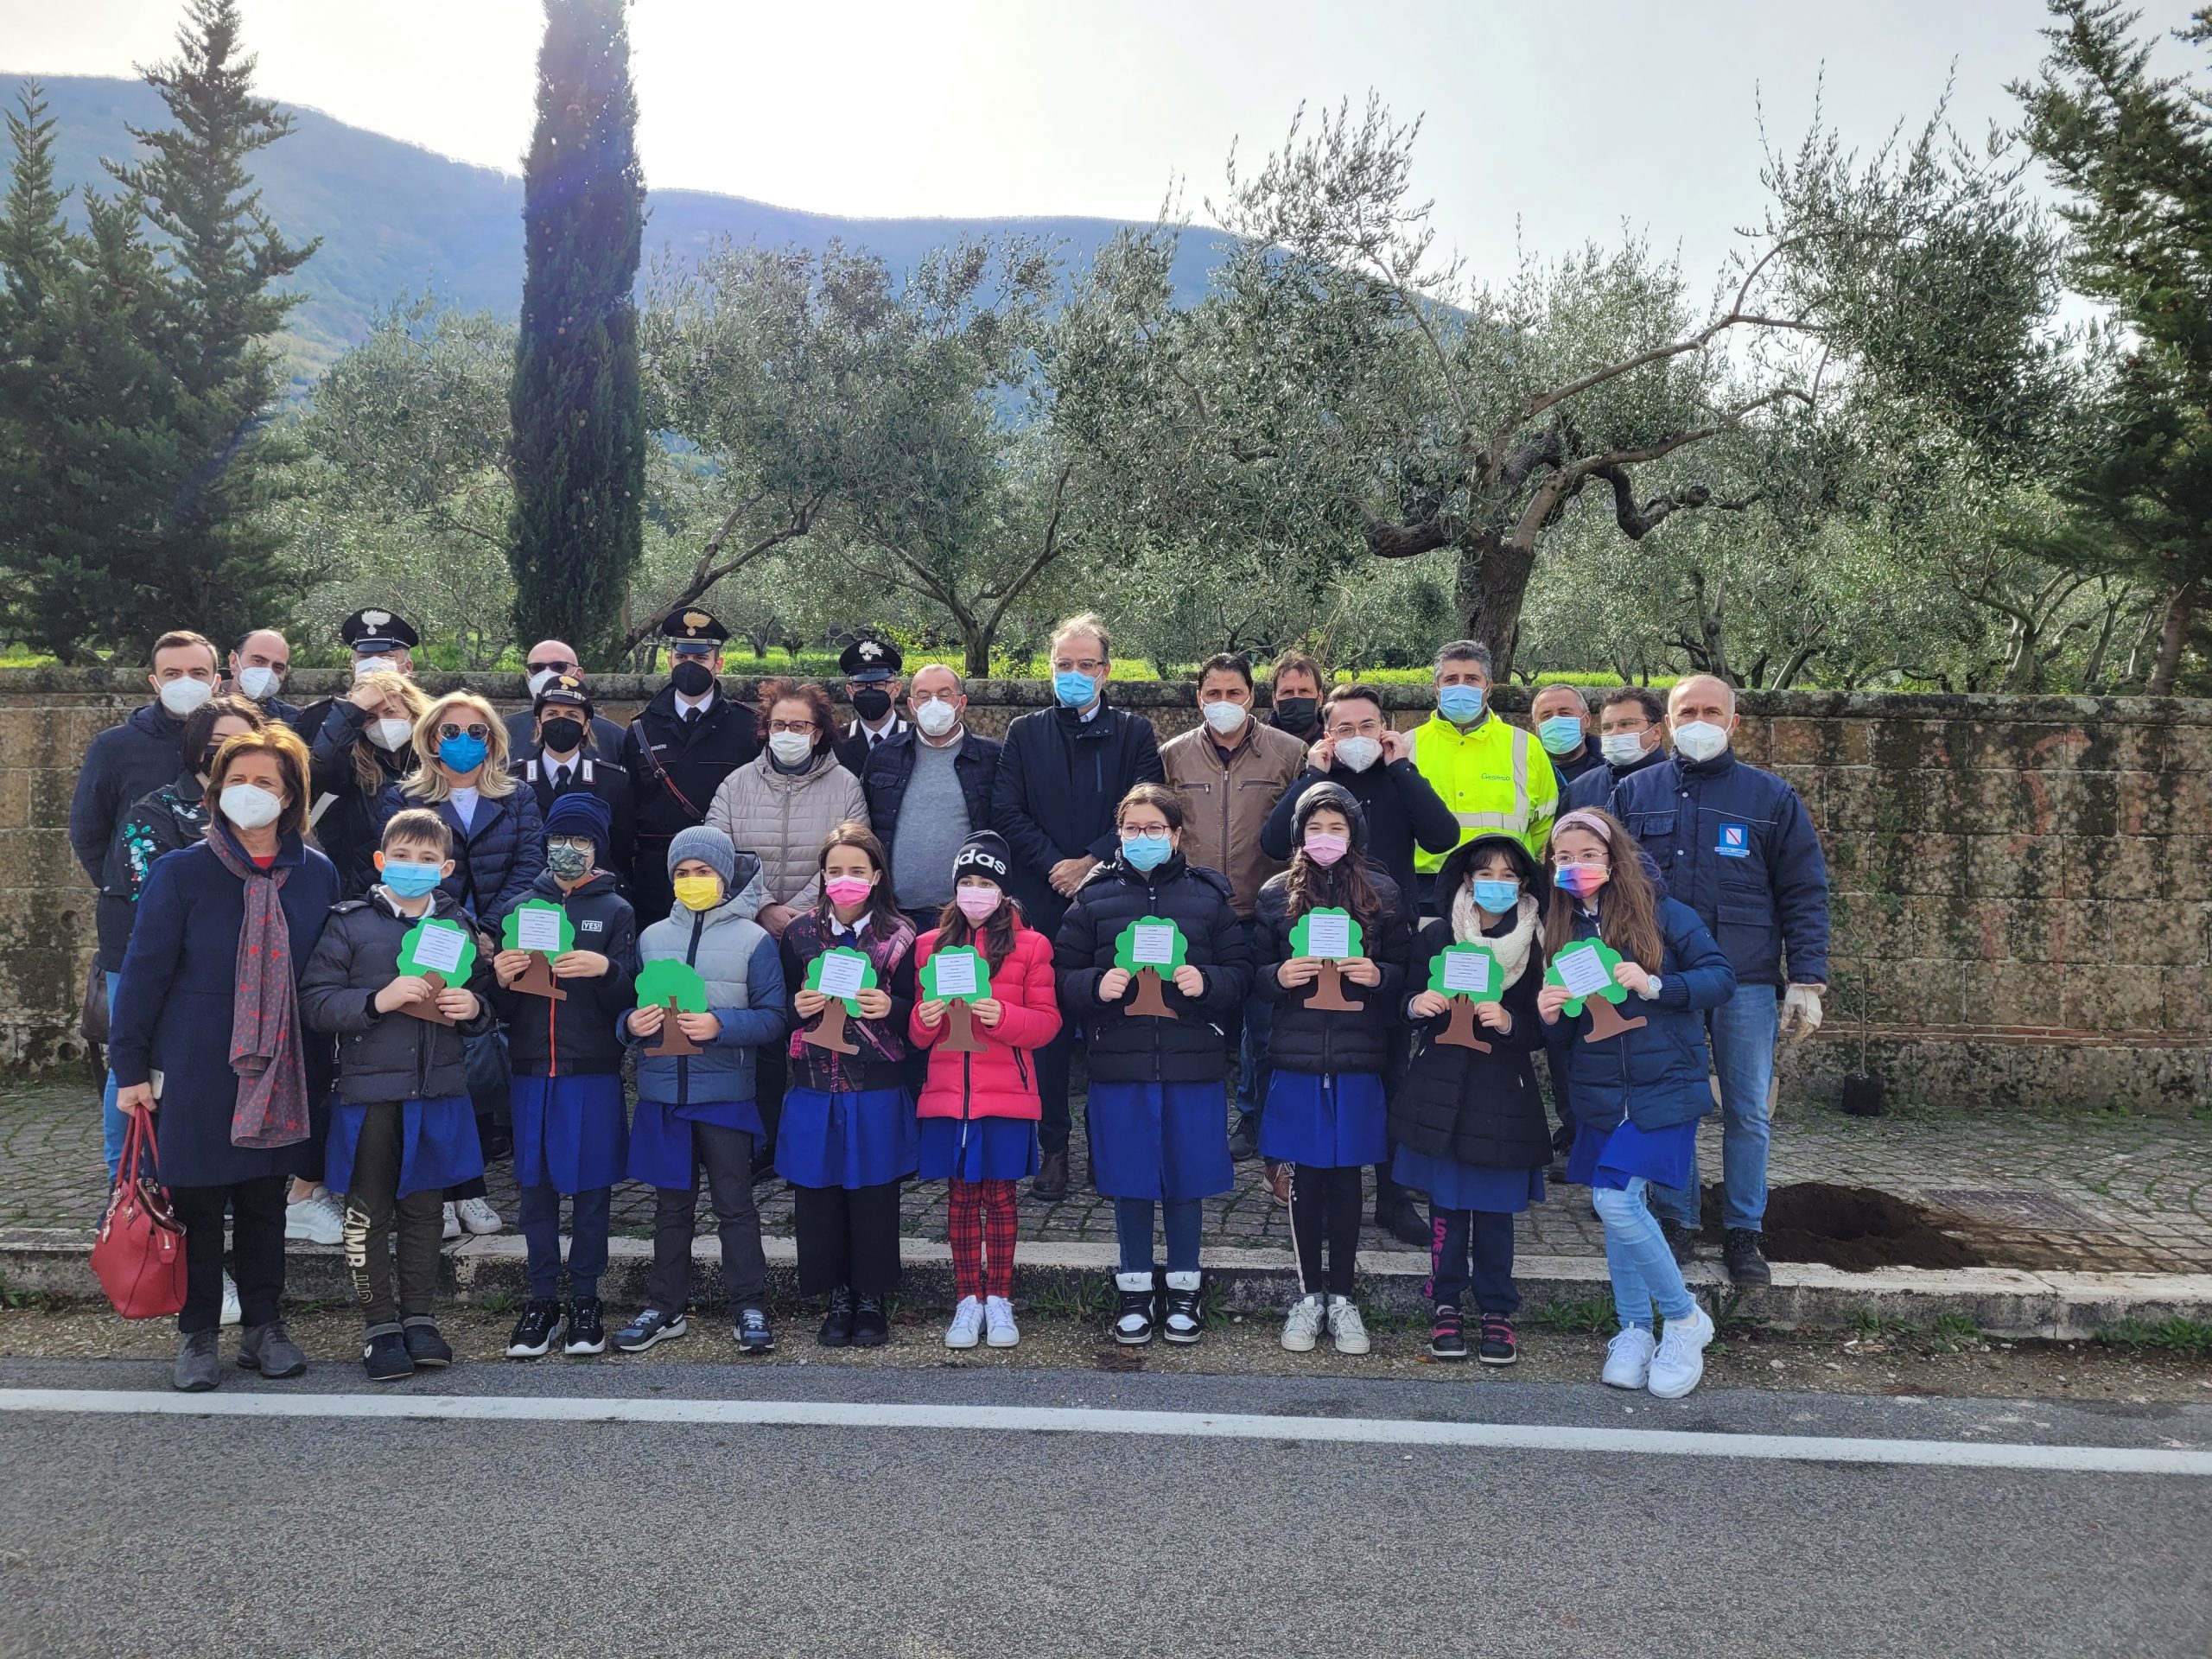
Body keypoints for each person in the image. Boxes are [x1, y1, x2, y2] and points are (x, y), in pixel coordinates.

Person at [109, 726, 337, 1393]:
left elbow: (327, 970)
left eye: (266, 782)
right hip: (198, 1063)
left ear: (292, 795)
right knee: (199, 1205)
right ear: (214, 793)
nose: (249, 793)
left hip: (284, 1070)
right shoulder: (182, 872)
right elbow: (143, 975)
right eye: (236, 781)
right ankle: (198, 1333)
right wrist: (130, 1072)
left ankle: (265, 1328)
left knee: (266, 1203)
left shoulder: (315, 875)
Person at [1611, 674, 1830, 1287]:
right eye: (1688, 711)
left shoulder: (1771, 798)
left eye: (1713, 711)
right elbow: (1613, 888)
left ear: (1734, 723)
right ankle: (1677, 1220)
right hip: (1662, 981)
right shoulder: (1635, 794)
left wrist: (1807, 978)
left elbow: (1804, 890)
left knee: (1748, 1111)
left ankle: (1743, 1231)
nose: (1700, 720)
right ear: (1669, 724)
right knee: (1672, 1105)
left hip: (1746, 979)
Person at [1539, 808, 1735, 1400]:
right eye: (1563, 858)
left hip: (1664, 1086)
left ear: (1614, 858)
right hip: (1601, 1092)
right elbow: (1566, 1034)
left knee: (1615, 1203)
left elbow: (1720, 977)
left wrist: (1655, 985)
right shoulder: (1562, 931)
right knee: (1623, 1212)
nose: (1576, 867)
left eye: (1588, 855)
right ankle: (1633, 1329)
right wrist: (1548, 1015)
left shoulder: (1665, 913)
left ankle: (1682, 1318)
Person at [298, 809, 494, 1382]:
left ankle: (420, 1318)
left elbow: (486, 1006)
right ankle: (379, 1325)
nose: (414, 867)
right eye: (402, 857)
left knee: (425, 1211)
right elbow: (315, 1001)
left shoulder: (459, 927)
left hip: (437, 1091)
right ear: (382, 862)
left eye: (427, 859)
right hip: (369, 1092)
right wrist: (376, 1001)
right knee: (367, 1212)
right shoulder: (349, 923)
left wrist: (475, 1010)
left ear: (447, 868)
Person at [1055, 785, 1251, 1348]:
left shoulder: (1208, 898)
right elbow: (1063, 976)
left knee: (1186, 1182)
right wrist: (1096, 984)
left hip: (1192, 1064)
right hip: (1121, 1063)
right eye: (1133, 829)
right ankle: (1135, 1290)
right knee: (1132, 1183)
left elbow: (1241, 973)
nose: (1144, 838)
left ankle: (1185, 1290)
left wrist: (1206, 982)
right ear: (1119, 834)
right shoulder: (1092, 901)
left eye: (1155, 829)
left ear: (1177, 835)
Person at [1262, 682, 1457, 1247]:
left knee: (1390, 1069)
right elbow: (1275, 843)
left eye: (1366, 726)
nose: (1356, 738)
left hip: (1381, 945)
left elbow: (1444, 836)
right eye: (1343, 728)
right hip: (1310, 948)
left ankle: (1392, 1198)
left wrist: (1402, 770)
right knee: (1316, 1069)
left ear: (1385, 729)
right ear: (1327, 735)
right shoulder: (1317, 790)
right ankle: (1312, 1185)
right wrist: (1307, 772)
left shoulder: (1400, 779)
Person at [993, 613, 1163, 1200]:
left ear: (1106, 671)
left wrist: (1091, 858)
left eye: (1085, 665)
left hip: (1112, 894)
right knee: (1046, 1031)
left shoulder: (1135, 733)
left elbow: (1147, 808)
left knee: (1111, 1024)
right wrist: (1054, 865)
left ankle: (1108, 1149)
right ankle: (1054, 1147)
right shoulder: (1024, 732)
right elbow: (1006, 810)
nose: (1073, 674)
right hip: (1042, 897)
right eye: (1063, 665)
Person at [615, 829, 788, 1356]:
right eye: (683, 873)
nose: (693, 881)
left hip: (726, 1094)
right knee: (671, 1209)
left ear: (725, 876)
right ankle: (665, 1306)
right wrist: (631, 1024)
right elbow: (623, 1013)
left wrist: (720, 1025)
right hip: (664, 1094)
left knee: (735, 1205)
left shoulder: (754, 941)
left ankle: (749, 1303)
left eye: (704, 872)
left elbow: (774, 1018)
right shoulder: (649, 938)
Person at [1254, 785, 1412, 1357]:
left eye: (1337, 829)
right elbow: (1254, 972)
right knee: (1305, 1177)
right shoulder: (1274, 895)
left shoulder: (1385, 894)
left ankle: (1341, 1298)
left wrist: (1379, 977)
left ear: (1355, 836)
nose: (1325, 839)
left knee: (1346, 1176)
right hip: (1297, 1055)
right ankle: (1307, 1295)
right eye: (1315, 829)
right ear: (1299, 836)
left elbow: (1406, 971)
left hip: (1358, 1055)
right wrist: (1278, 978)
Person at [92, 694, 264, 1185]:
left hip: (238, 973)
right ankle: (128, 1182)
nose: (229, 751)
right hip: (163, 963)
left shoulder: (268, 814)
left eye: (241, 741)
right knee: (137, 1067)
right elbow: (154, 894)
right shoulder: (157, 810)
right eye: (216, 744)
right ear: (194, 751)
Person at [1391, 833, 1550, 1365]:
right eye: (1487, 874)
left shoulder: (1537, 943)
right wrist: (1418, 1003)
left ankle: (1498, 1310)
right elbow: (1402, 1002)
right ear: (1466, 878)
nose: (1497, 885)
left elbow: (1547, 1026)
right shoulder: (1438, 934)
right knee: (1447, 1210)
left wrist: (1510, 1022)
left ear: (1524, 884)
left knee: (1496, 1215)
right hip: (1443, 1090)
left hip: (1504, 1094)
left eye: (1509, 876)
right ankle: (1445, 1305)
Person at [390, 689, 543, 1239]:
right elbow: (404, 871)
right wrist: (461, 928)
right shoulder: (404, 797)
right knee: (436, 1057)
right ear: (431, 738)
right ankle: (446, 1185)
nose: (462, 742)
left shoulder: (518, 797)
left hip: (500, 942)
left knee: (484, 1057)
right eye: (449, 732)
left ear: (494, 741)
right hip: (431, 939)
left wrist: (490, 930)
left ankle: (474, 1184)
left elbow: (531, 865)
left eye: (475, 732)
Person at [490, 792, 638, 1359]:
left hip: (592, 1073)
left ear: (597, 848)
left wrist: (604, 970)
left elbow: (628, 1001)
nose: (568, 851)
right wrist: (497, 977)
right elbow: (496, 1010)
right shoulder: (519, 909)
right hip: (530, 1072)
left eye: (580, 841)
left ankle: (585, 1298)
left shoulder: (617, 911)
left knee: (593, 1193)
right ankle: (541, 1298)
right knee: (535, 1192)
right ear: (544, 844)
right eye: (558, 840)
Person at [706, 677, 868, 1173]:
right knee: (764, 1042)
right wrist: (762, 908)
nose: (788, 733)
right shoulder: (736, 786)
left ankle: (822, 1143)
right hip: (748, 932)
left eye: (799, 725)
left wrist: (797, 912)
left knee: (823, 1032)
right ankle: (762, 1143)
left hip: (818, 932)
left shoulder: (847, 786)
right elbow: (715, 856)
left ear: (819, 732)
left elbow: (852, 856)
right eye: (779, 725)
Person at [910, 831, 1060, 1350]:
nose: (976, 893)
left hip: (1006, 1094)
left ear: (1003, 890)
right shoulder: (928, 946)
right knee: (959, 1198)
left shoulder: (1032, 945)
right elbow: (917, 1034)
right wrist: (924, 1017)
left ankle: (999, 1297)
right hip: (948, 1093)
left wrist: (1005, 1016)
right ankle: (965, 1300)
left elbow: (1047, 1025)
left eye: (986, 883)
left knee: (1000, 1197)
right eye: (967, 883)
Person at [1159, 653, 1307, 1170]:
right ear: (1199, 698)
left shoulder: (1290, 752)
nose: (1224, 704)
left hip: (1264, 907)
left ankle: (1255, 1119)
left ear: (1252, 696)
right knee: (1189, 1024)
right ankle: (1187, 1124)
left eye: (1235, 694)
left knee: (1263, 1029)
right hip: (1194, 911)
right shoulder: (1173, 755)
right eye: (1213, 694)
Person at [778, 823, 918, 1348]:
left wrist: (893, 1008)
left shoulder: (901, 936)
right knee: (819, 1193)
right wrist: (798, 1009)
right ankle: (836, 1294)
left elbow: (921, 1013)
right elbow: (784, 1008)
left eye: (857, 870)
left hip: (873, 1084)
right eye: (834, 870)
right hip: (814, 1082)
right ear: (821, 876)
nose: (845, 880)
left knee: (874, 1194)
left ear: (876, 875)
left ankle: (871, 1297)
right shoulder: (798, 934)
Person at [621, 607, 760, 923]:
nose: (690, 667)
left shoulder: (748, 728)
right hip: (656, 881)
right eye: (682, 658)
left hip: (723, 877)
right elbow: (627, 814)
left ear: (718, 663)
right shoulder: (641, 730)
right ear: (669, 660)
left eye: (700, 659)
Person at [69, 630, 223, 900]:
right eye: (173, 674)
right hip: (131, 904)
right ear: (155, 682)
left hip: (216, 901)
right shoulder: (114, 746)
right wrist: (120, 885)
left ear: (216, 681)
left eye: (198, 673)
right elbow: (88, 829)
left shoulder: (241, 742)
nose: (186, 682)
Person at [1404, 640, 1560, 899]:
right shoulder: (1406, 746)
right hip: (1427, 889)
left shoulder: (1526, 746)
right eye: (1451, 679)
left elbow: (1545, 825)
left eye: (1471, 679)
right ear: (1436, 687)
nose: (1461, 686)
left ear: (1488, 687)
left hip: (1507, 886)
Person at [862, 663, 1002, 934]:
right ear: (912, 705)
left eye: (944, 694)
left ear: (962, 702)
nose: (933, 703)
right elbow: (866, 826)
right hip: (894, 912)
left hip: (967, 914)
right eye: (924, 696)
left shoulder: (992, 758)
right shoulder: (884, 756)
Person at [304, 653, 429, 899]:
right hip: (360, 893)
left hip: (424, 888)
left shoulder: (434, 761)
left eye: (391, 712)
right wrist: (354, 707)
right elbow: (321, 762)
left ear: (414, 713)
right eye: (370, 717)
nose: (382, 723)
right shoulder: (351, 764)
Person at [511, 673, 636, 883]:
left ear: (586, 726)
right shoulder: (513, 778)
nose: (561, 721)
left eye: (572, 715)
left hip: (591, 894)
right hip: (529, 893)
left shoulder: (613, 781)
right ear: (539, 723)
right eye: (552, 713)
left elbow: (620, 851)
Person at [291, 607, 421, 761]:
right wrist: (353, 709)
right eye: (365, 657)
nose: (374, 664)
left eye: (386, 657)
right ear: (353, 667)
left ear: (408, 667)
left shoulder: (430, 717)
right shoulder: (319, 717)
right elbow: (315, 772)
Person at [504, 639, 627, 759]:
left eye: (558, 667)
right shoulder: (503, 732)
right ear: (527, 676)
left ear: (578, 675)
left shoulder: (613, 737)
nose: (546, 674)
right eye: (537, 668)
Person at [1562, 685, 1671, 812]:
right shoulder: (1579, 789)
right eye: (1607, 727)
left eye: (1626, 724)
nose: (1614, 733)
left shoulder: (1679, 784)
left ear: (1656, 732)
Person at [832, 637, 910, 773]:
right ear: (850, 691)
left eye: (879, 685)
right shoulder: (835, 741)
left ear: (896, 689)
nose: (869, 692)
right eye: (860, 686)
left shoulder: (914, 739)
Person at [1529, 683, 1605, 787]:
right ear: (1535, 726)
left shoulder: (1612, 766)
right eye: (1546, 716)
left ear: (1587, 719)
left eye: (1565, 713)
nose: (1555, 721)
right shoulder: (1521, 768)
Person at [225, 628, 302, 729]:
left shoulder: (295, 721)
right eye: (258, 661)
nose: (268, 672)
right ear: (234, 662)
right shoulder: (204, 708)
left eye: (278, 667)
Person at [1266, 649, 1326, 744]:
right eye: (1287, 692)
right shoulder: (1259, 745)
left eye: (1304, 691)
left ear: (1320, 697)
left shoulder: (1336, 747)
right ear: (1274, 699)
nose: (1296, 698)